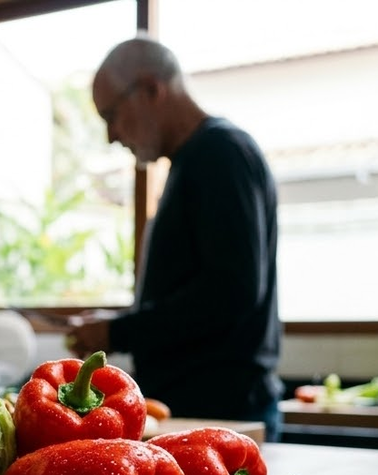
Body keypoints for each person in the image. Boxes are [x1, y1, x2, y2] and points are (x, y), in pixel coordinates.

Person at [67, 36, 284, 441]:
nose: (112, 136)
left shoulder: (219, 154)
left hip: (222, 409)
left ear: (151, 89)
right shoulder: (197, 159)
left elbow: (231, 291)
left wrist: (116, 332)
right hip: (204, 407)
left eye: (111, 115)